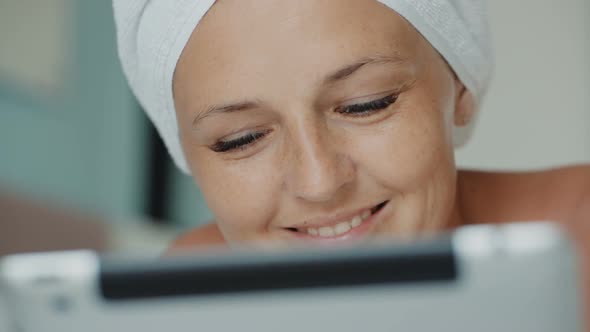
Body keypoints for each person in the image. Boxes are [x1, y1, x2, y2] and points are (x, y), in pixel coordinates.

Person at [113, 0, 589, 321]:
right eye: (243, 139)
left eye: (367, 104)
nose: (319, 183)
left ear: (459, 85)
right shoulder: (194, 299)